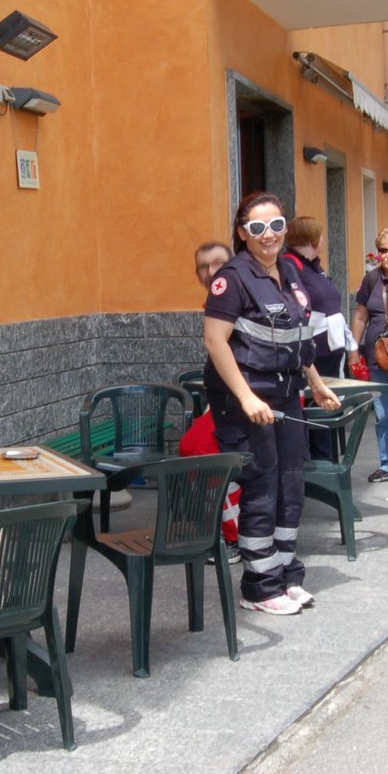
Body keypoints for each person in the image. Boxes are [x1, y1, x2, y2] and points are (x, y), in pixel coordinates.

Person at [203, 192, 340, 614]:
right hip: (247, 399)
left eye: (277, 226)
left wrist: (315, 383)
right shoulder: (232, 277)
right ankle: (259, 587)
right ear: (243, 233)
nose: (269, 236)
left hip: (287, 395)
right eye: (259, 228)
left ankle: (285, 574)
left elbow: (298, 338)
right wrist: (245, 397)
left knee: (290, 484)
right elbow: (214, 340)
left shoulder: (289, 273)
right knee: (262, 487)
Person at [179, 241, 241, 564]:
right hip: (224, 399)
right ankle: (220, 525)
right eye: (203, 266)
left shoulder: (237, 294)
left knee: (206, 453)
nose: (210, 271)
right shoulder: (216, 298)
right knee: (191, 447)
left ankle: (234, 536)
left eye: (217, 263)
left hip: (245, 400)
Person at [349, 226, 388, 483]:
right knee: (383, 415)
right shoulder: (372, 279)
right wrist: (353, 348)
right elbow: (360, 315)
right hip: (377, 358)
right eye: (382, 250)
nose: (387, 255)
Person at [283, 216, 347, 462]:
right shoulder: (291, 265)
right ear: (313, 238)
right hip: (314, 353)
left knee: (328, 409)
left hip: (329, 349)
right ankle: (319, 462)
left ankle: (327, 460)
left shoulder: (312, 265)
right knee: (318, 410)